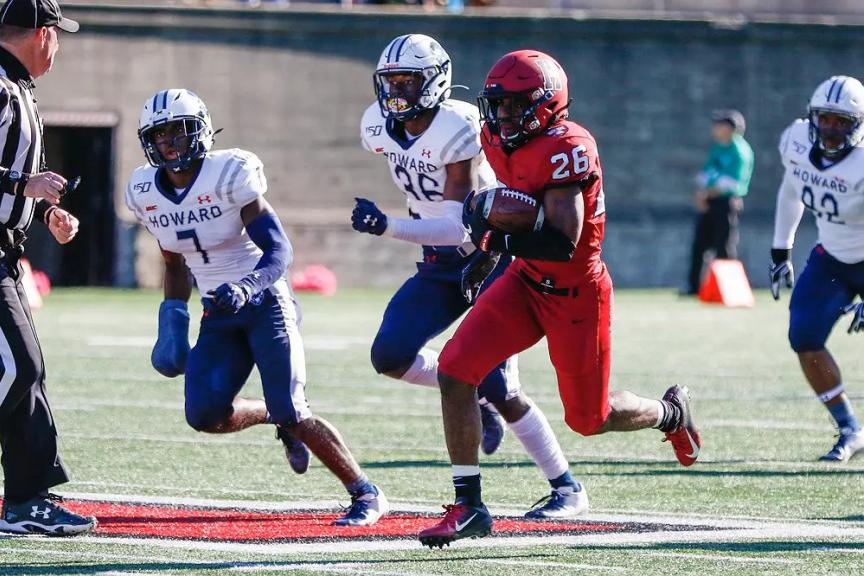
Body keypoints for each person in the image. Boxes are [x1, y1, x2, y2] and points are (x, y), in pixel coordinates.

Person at [418, 50, 701, 548]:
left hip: (575, 293)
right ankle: (469, 506)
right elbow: (515, 213)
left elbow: (561, 240)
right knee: (455, 372)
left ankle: (669, 412)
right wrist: (487, 251)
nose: (503, 117)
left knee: (589, 420)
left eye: (515, 106)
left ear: (548, 104)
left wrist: (491, 238)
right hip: (526, 280)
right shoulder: (496, 138)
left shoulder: (567, 146)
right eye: (498, 105)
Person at [125, 88, 388, 526]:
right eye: (160, 134)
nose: (169, 142)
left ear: (201, 132)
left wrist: (248, 287)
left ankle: (366, 492)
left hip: (265, 301)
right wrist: (171, 322)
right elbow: (173, 262)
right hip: (218, 312)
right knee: (205, 415)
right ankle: (272, 415)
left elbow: (279, 252)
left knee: (294, 408)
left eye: (178, 131)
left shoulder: (230, 173)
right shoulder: (143, 190)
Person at [353, 34, 587, 519]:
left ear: (435, 82)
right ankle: (472, 388)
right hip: (440, 263)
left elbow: (457, 221)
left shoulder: (458, 124)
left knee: (504, 387)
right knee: (390, 354)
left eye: (408, 81)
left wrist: (388, 225)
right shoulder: (377, 125)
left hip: (490, 256)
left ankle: (567, 487)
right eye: (390, 81)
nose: (396, 92)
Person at [0, 0, 97, 536]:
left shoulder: (19, 91)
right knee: (19, 368)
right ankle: (25, 498)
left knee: (28, 371)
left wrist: (45, 210)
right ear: (41, 34)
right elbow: (13, 177)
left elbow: (18, 178)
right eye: (57, 35)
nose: (58, 46)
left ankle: (26, 500)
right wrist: (22, 186)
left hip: (7, 255)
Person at [770, 75, 864, 463]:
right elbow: (792, 189)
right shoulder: (795, 139)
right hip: (832, 258)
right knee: (804, 337)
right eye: (825, 118)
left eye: (842, 121)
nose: (830, 128)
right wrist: (781, 251)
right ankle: (850, 429)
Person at [684, 109, 754, 295]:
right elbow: (707, 175)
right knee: (699, 245)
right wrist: (701, 195)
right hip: (709, 201)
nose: (715, 127)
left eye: (720, 124)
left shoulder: (739, 150)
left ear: (730, 128)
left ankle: (727, 291)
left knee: (723, 247)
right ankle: (694, 288)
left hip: (727, 203)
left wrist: (706, 195)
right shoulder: (717, 147)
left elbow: (731, 183)